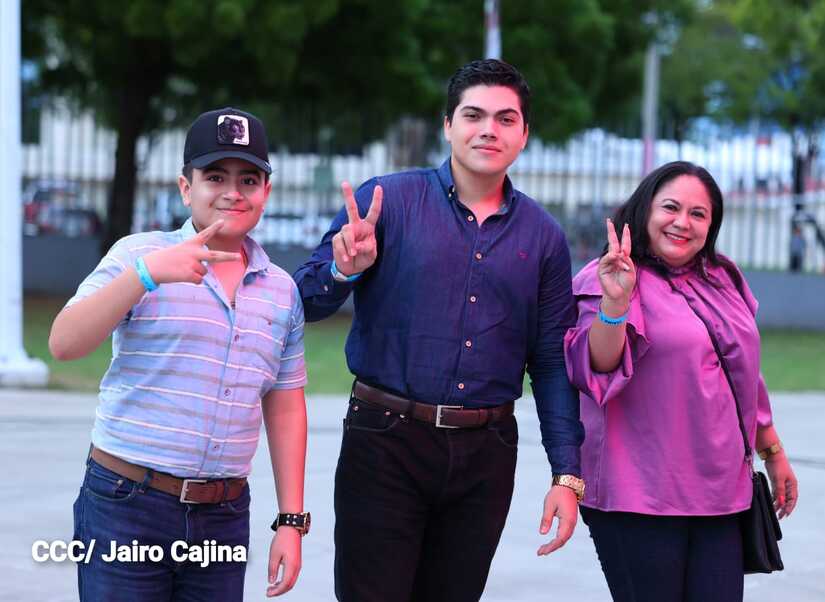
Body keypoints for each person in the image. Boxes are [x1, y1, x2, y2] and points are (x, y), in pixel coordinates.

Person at [293, 59, 585, 602]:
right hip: (384, 441)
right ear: (448, 125)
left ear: (524, 133)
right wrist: (342, 270)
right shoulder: (387, 203)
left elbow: (550, 362)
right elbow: (302, 303)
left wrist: (565, 474)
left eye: (505, 119)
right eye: (473, 115)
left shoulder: (544, 237)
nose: (488, 130)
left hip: (486, 454)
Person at [49, 108, 309, 601]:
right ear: (186, 188)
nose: (232, 192)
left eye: (248, 179)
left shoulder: (281, 290)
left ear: (266, 192)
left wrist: (291, 521)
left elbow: (285, 404)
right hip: (127, 504)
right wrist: (146, 276)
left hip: (223, 515)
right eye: (215, 177)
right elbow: (64, 344)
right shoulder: (138, 255)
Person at [564, 161, 799, 601]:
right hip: (640, 494)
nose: (682, 222)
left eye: (698, 214)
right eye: (670, 207)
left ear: (711, 225)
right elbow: (597, 366)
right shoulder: (610, 275)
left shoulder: (722, 276)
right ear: (646, 209)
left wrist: (772, 451)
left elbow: (743, 371)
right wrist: (615, 304)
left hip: (722, 493)